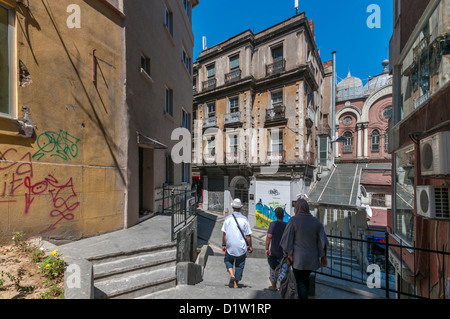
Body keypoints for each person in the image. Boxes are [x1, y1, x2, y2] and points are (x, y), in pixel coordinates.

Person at [280, 198, 328, 299]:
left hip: (298, 260)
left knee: (301, 283)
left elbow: (287, 240)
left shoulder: (294, 220)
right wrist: (323, 256)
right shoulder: (316, 222)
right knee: (305, 281)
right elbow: (322, 242)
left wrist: (289, 254)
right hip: (311, 260)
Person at [221, 198, 253, 288]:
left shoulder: (228, 219)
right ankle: (236, 283)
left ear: (232, 207)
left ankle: (231, 274)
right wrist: (250, 246)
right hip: (241, 248)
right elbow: (248, 236)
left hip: (230, 246)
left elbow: (224, 234)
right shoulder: (245, 219)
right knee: (239, 265)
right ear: (241, 208)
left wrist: (224, 245)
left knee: (228, 260)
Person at [265, 207, 288, 291]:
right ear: (283, 215)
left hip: (274, 251)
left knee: (273, 269)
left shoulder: (273, 224)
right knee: (283, 269)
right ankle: (282, 287)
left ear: (275, 215)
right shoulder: (286, 225)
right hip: (284, 252)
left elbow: (269, 237)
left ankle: (273, 286)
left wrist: (267, 248)